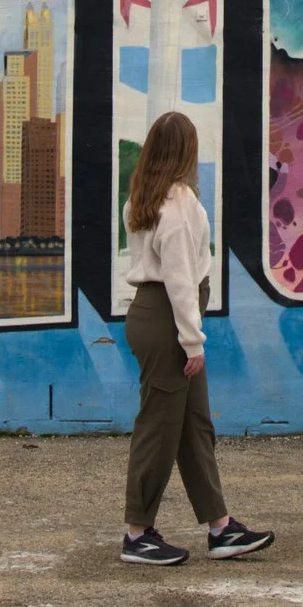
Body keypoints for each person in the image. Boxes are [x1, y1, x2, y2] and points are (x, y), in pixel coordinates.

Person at [118, 111, 274, 566]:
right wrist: (192, 341)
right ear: (187, 152)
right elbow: (180, 279)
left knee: (194, 426)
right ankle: (137, 534)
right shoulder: (180, 202)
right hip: (168, 322)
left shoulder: (142, 196)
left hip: (153, 317)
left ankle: (220, 528)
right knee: (158, 429)